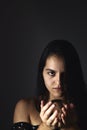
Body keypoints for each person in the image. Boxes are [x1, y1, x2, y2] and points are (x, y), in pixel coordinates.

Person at [11, 40, 87, 130]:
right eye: (51, 73)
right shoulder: (25, 107)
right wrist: (45, 126)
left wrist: (70, 126)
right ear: (42, 73)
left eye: (65, 74)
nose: (58, 81)